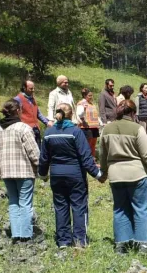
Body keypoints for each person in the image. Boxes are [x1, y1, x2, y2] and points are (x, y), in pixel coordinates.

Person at [100, 100, 147, 254]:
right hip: (136, 174)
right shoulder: (137, 129)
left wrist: (104, 172)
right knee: (141, 209)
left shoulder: (107, 129)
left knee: (120, 209)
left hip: (116, 175)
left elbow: (102, 154)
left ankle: (121, 244)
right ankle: (142, 244)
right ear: (134, 113)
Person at [39, 104, 103, 248]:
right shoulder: (75, 132)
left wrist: (43, 174)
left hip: (56, 175)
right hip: (75, 175)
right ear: (71, 114)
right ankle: (80, 240)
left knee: (60, 206)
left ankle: (63, 241)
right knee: (79, 206)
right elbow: (86, 157)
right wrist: (97, 174)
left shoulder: (49, 133)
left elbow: (44, 157)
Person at [0, 100, 40, 243]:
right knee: (25, 203)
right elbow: (34, 152)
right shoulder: (23, 128)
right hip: (24, 171)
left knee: (13, 202)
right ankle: (25, 235)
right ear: (18, 110)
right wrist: (42, 168)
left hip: (6, 172)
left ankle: (15, 233)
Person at [14, 80, 51, 147]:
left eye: (33, 88)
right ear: (24, 88)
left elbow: (38, 113)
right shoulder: (17, 99)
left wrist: (47, 122)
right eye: (31, 88)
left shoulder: (32, 98)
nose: (33, 90)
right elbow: (15, 116)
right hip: (25, 131)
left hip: (36, 129)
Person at [77, 88, 101, 160]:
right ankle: (86, 159)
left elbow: (95, 114)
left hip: (94, 126)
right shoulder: (81, 103)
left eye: (91, 95)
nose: (91, 97)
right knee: (87, 144)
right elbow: (79, 114)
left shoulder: (91, 104)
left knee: (93, 144)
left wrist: (99, 121)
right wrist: (83, 109)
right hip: (86, 127)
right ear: (84, 95)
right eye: (89, 95)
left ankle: (92, 159)